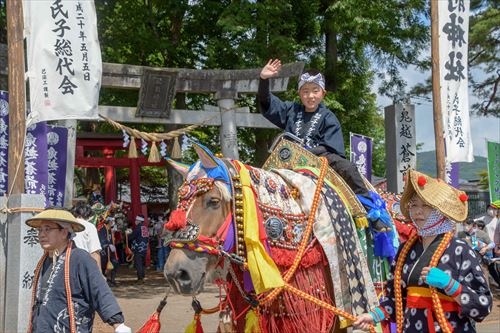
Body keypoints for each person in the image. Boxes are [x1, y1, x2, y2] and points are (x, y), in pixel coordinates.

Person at [258, 59, 394, 254]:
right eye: (305, 91)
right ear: (299, 93)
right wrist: (263, 79)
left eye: (315, 91)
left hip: (318, 160)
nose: (310, 96)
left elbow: (330, 147)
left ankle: (372, 213)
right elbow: (267, 103)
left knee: (348, 168)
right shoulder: (291, 110)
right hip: (287, 163)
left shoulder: (328, 116)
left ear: (323, 93)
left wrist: (305, 155)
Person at [353, 169, 492, 332]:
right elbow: (395, 300)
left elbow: (483, 306)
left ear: (441, 211)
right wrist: (372, 316)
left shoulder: (460, 249)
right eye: (414, 205)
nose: (418, 211)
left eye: (426, 206)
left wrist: (451, 285)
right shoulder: (405, 249)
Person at [26, 208, 131, 333]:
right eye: (40, 230)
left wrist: (118, 324)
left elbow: (99, 290)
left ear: (64, 232)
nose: (42, 234)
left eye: (47, 229)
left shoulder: (80, 258)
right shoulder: (44, 260)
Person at [458, 219, 500, 288]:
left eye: (467, 225)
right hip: (466, 262)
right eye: (463, 225)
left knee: (484, 280)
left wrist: (485, 249)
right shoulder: (461, 234)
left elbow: (492, 244)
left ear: (473, 225)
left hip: (480, 262)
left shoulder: (480, 233)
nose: (465, 227)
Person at [71, 201, 102, 268]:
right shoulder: (89, 226)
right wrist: (99, 274)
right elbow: (94, 252)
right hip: (83, 264)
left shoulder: (67, 225)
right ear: (88, 213)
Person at [126, 214, 149, 283]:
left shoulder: (138, 228)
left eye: (136, 220)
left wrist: (128, 234)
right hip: (144, 248)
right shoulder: (145, 228)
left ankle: (140, 279)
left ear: (139, 221)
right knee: (142, 263)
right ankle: (142, 277)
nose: (135, 221)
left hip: (138, 248)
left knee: (138, 264)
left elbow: (131, 237)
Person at [98, 216, 119, 286]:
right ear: (109, 222)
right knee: (103, 266)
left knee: (115, 263)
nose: (113, 223)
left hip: (111, 251)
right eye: (112, 222)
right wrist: (108, 244)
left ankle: (113, 279)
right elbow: (101, 240)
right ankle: (104, 280)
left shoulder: (110, 230)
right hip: (104, 251)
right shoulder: (102, 230)